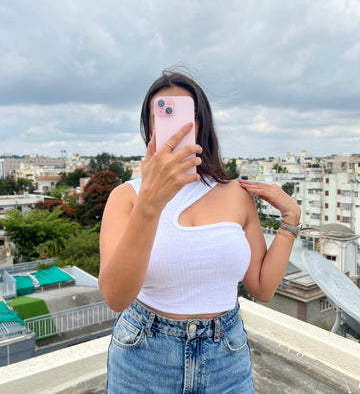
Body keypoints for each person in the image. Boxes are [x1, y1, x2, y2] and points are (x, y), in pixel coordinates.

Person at [99, 69, 301, 393]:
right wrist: (151, 202)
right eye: (162, 113)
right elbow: (116, 296)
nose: (175, 125)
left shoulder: (236, 194)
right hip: (144, 358)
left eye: (185, 114)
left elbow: (262, 288)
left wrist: (290, 219)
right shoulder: (126, 197)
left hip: (227, 359)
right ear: (149, 127)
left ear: (201, 123)